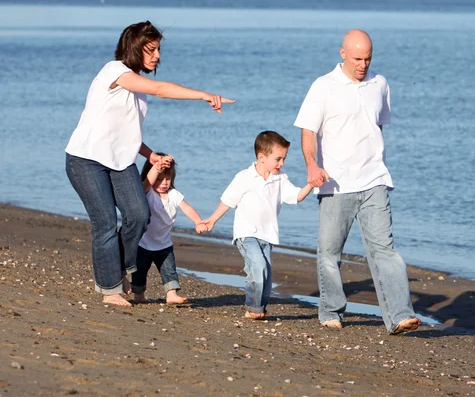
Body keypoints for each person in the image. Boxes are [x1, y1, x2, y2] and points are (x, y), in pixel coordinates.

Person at [65, 21, 234, 307]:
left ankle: (120, 268)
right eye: (151, 49)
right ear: (134, 48)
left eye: (158, 50)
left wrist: (149, 155)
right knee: (105, 222)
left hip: (120, 161)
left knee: (139, 215)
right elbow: (161, 89)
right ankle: (111, 289)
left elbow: (122, 130)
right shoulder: (114, 71)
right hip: (86, 160)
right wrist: (204, 95)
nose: (157, 56)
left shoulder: (136, 88)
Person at [293, 29, 421, 334]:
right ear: (342, 54)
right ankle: (331, 309)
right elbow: (308, 131)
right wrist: (312, 165)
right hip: (336, 184)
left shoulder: (380, 84)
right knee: (329, 252)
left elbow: (376, 127)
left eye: (368, 58)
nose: (363, 65)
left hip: (374, 180)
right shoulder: (323, 87)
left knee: (385, 250)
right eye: (357, 59)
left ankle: (400, 315)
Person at [201, 131, 313, 319]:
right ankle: (253, 308)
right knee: (257, 266)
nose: (282, 164)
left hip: (267, 235)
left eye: (284, 159)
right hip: (246, 234)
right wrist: (212, 220)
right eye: (278, 159)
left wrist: (311, 184)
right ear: (261, 157)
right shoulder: (244, 177)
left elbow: (296, 197)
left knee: (266, 276)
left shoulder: (280, 178)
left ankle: (260, 308)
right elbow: (228, 200)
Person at [131, 154, 207, 305]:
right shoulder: (147, 193)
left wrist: (198, 221)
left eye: (168, 178)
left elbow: (187, 208)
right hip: (143, 243)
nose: (164, 183)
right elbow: (146, 184)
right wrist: (156, 166)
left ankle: (171, 295)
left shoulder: (174, 194)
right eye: (159, 179)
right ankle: (138, 296)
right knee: (139, 271)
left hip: (164, 243)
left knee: (169, 270)